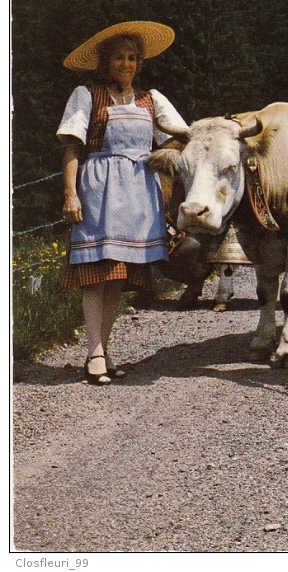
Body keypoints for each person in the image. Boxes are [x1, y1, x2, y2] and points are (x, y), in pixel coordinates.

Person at [58, 21, 188, 385]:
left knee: (117, 276)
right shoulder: (86, 94)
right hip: (98, 188)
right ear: (103, 62)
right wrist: (70, 194)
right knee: (94, 274)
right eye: (118, 58)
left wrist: (161, 158)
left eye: (132, 58)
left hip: (137, 193)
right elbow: (71, 147)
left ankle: (104, 349)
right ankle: (94, 351)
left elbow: (182, 135)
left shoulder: (151, 99)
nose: (126, 64)